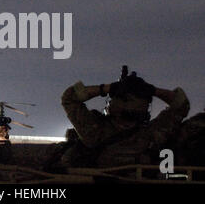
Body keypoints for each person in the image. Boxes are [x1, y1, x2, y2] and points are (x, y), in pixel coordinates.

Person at [61, 67, 190, 168]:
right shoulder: (152, 135)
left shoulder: (94, 132)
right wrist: (153, 90)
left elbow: (69, 97)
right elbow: (182, 105)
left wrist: (107, 88)